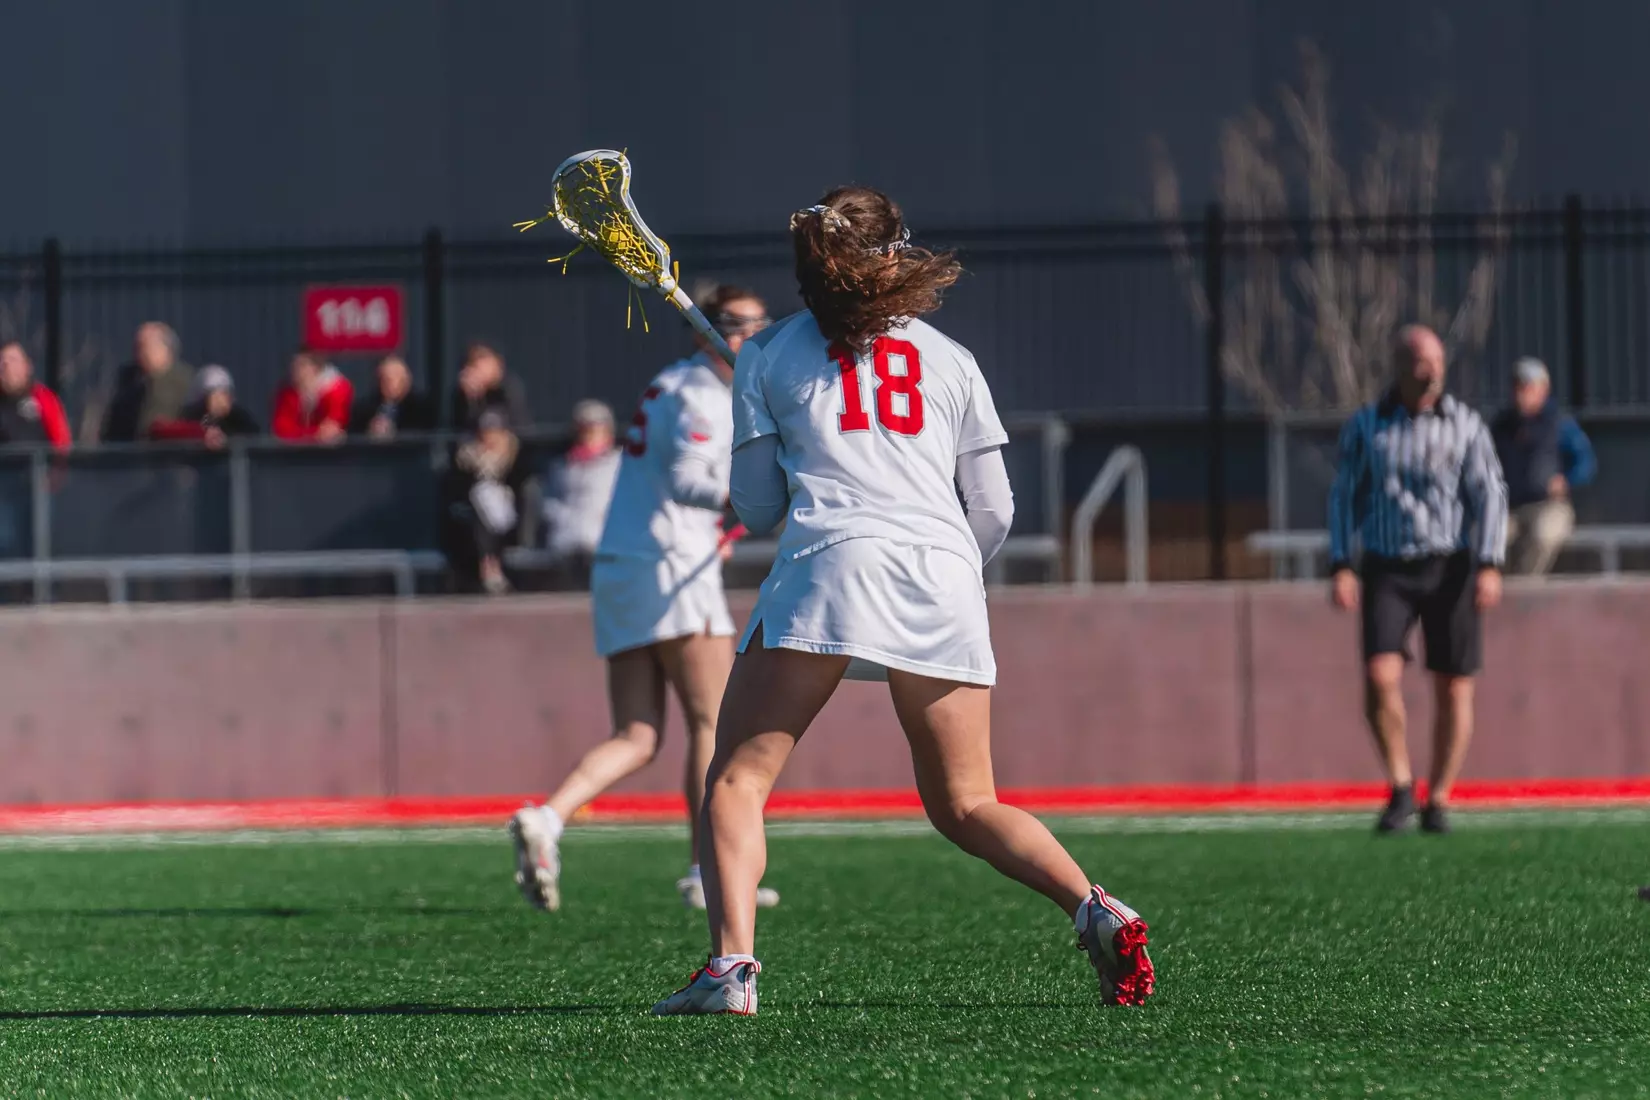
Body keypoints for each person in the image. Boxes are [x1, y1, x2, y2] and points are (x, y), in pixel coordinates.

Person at [650, 191, 1153, 1018]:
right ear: (894, 257)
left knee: (737, 778)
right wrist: (949, 569)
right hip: (946, 575)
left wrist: (777, 431)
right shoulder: (951, 358)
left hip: (830, 565)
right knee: (968, 803)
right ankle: (1096, 907)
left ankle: (730, 971)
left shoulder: (769, 355)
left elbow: (760, 509)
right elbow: (993, 508)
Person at [509, 285, 781, 914]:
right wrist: (764, 489)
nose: (751, 339)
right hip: (671, 567)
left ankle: (547, 818)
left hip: (628, 563)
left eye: (759, 326)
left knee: (637, 733)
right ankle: (706, 870)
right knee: (714, 723)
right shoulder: (702, 395)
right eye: (738, 326)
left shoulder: (677, 382)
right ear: (706, 332)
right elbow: (690, 479)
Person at [1327, 325, 1509, 836]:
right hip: (1387, 565)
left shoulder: (1466, 424)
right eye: (1420, 362)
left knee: (1454, 684)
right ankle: (1402, 786)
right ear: (1400, 366)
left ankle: (1441, 796)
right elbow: (1345, 495)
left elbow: (1489, 492)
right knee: (1381, 675)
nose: (1431, 372)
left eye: (1437, 361)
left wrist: (1491, 562)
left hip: (1450, 563)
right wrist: (1341, 562)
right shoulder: (1367, 426)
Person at [1490, 357, 1596, 576]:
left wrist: (1566, 480)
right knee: (1490, 535)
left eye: (1529, 387)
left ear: (1543, 389)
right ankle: (1500, 592)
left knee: (1543, 534)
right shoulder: (1502, 426)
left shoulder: (1560, 423)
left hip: (1549, 506)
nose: (1522, 393)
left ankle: (1525, 592)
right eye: (1518, 386)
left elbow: (1586, 462)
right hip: (1509, 507)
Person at [440, 409, 534, 594]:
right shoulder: (466, 457)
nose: (490, 437)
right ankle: (489, 566)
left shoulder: (515, 454)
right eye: (485, 432)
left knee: (491, 505)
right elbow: (457, 488)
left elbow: (522, 484)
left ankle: (492, 566)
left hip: (510, 518)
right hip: (473, 521)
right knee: (480, 503)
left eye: (495, 432)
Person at [540, 399, 621, 588]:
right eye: (584, 430)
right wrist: (562, 518)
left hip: (605, 545)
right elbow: (548, 501)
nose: (589, 436)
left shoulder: (620, 464)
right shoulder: (561, 466)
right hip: (566, 543)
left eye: (595, 430)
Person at [102, 322, 194, 442]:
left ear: (165, 349)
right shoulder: (129, 384)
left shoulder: (187, 382)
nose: (139, 354)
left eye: (145, 346)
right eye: (137, 347)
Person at [148, 365, 261, 448]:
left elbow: (253, 437)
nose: (219, 401)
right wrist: (201, 434)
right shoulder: (192, 416)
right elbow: (162, 431)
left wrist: (227, 440)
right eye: (213, 394)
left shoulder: (239, 417)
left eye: (223, 393)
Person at [271, 349, 353, 443]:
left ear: (316, 368)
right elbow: (281, 430)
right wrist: (314, 433)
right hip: (292, 453)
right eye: (294, 365)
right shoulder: (286, 394)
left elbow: (331, 430)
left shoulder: (337, 390)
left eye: (302, 365)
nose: (295, 370)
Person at [0, 342, 71, 450]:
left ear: (27, 366)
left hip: (38, 465)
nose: (6, 365)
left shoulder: (43, 398)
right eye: (2, 361)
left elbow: (61, 442)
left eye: (12, 360)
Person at [349, 354, 437, 438]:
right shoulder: (366, 407)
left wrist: (393, 432)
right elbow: (354, 434)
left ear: (406, 381)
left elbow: (420, 434)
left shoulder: (419, 408)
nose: (387, 384)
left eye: (393, 379)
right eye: (383, 379)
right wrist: (369, 430)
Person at [450, 343, 530, 433]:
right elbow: (464, 426)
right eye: (476, 367)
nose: (480, 373)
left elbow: (518, 424)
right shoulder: (464, 394)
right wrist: (470, 399)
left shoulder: (508, 388)